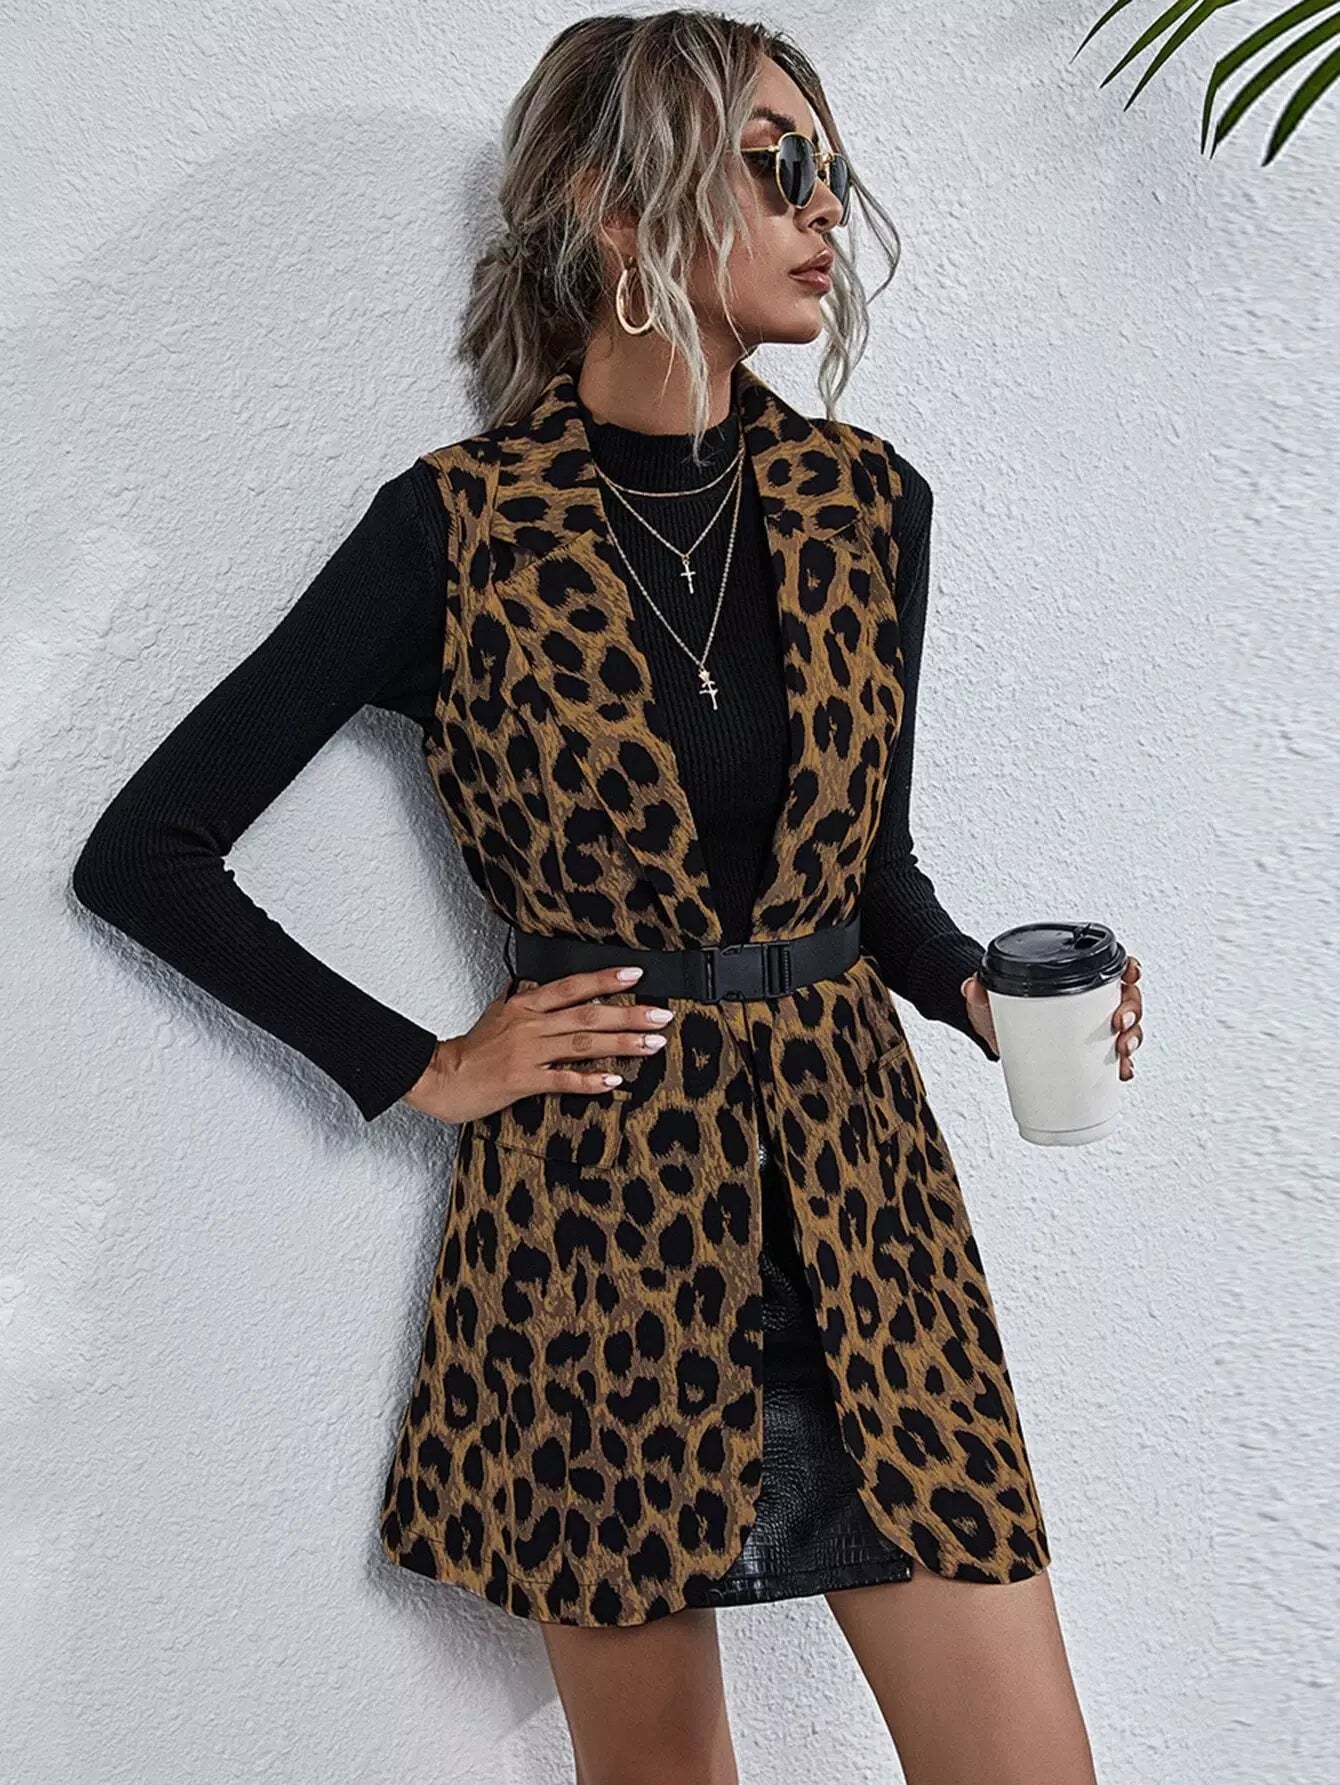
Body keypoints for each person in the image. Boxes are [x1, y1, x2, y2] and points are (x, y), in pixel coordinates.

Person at [72, 11, 1144, 1783]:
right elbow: (148, 848)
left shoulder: (868, 505)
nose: (825, 205)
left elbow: (865, 869)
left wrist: (979, 989)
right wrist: (425, 1063)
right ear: (620, 209)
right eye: (778, 163)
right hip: (599, 1223)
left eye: (830, 166)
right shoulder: (459, 531)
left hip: (865, 1199)